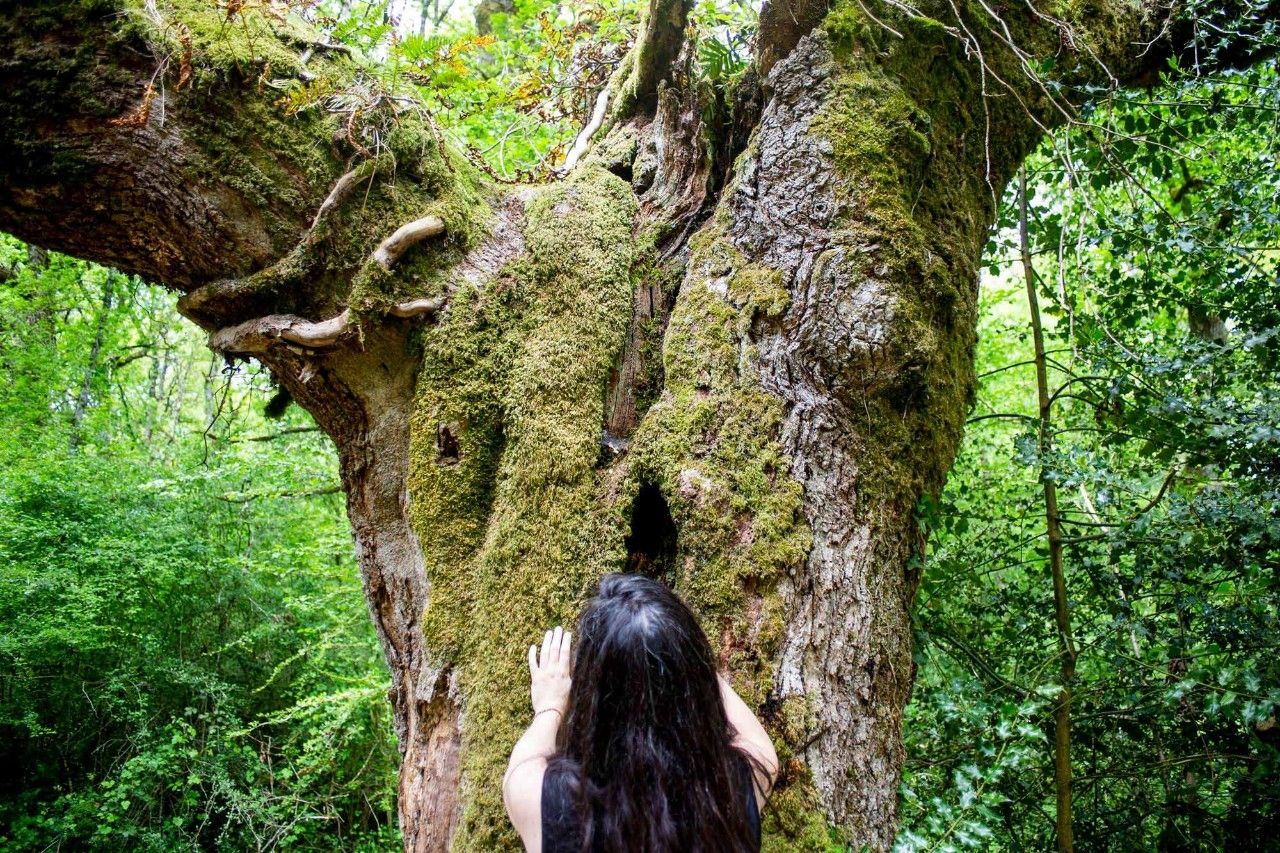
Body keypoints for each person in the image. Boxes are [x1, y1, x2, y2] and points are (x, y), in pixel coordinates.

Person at [502, 573, 779, 853]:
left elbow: (521, 768)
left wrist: (550, 706)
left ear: (591, 692)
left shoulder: (554, 806)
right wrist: (681, 657)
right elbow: (760, 747)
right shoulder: (729, 791)